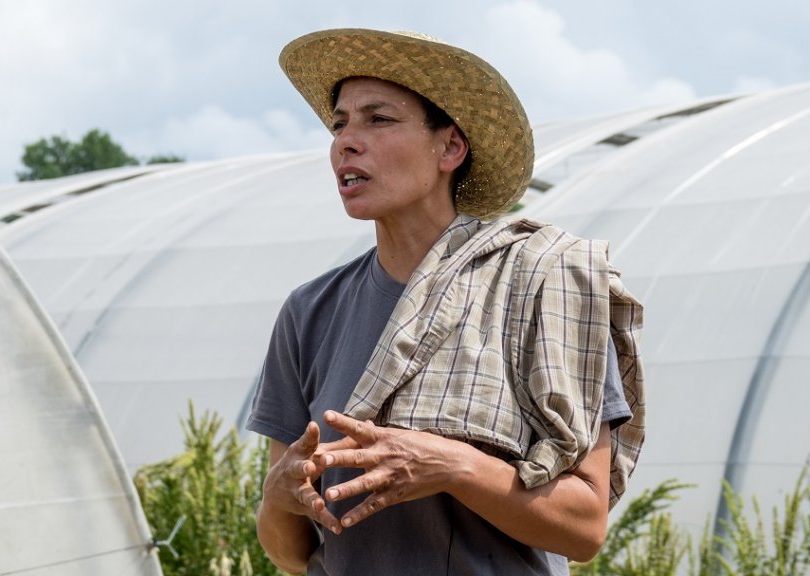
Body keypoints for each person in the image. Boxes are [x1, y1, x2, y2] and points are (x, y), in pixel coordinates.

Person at [246, 28, 645, 576]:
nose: (346, 141)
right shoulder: (309, 312)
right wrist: (279, 496)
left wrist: (450, 465)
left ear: (451, 147)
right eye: (340, 122)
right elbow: (289, 553)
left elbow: (583, 527)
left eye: (378, 119)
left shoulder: (543, 283)